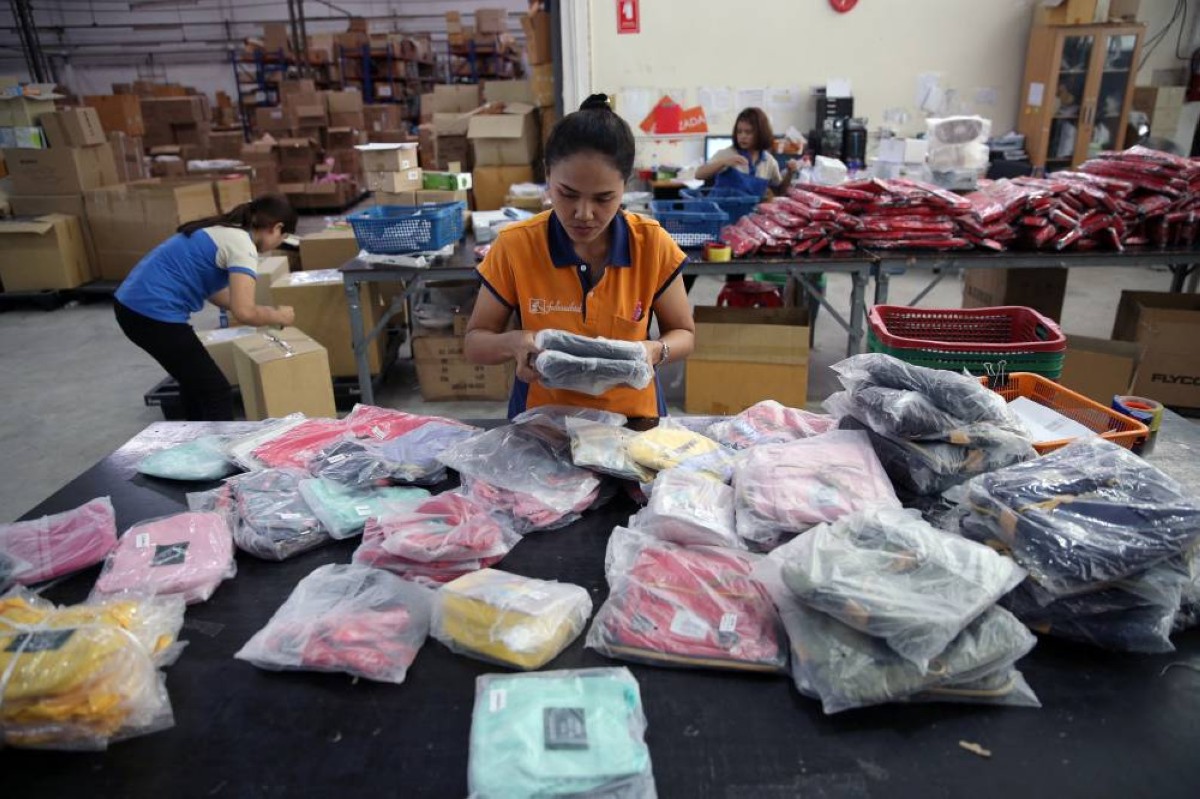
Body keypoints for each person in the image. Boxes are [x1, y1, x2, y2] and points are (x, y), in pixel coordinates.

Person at [464, 94, 696, 422]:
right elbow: (475, 343)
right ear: (547, 175)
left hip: (632, 421)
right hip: (543, 423)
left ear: (625, 186)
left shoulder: (652, 244)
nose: (584, 214)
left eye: (603, 198)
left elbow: (684, 333)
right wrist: (515, 343)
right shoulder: (516, 246)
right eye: (568, 194)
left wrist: (656, 351)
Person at [113, 194, 298, 422]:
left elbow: (218, 295)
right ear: (276, 228)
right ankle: (219, 446)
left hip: (132, 306)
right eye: (283, 237)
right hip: (152, 313)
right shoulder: (242, 245)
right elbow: (244, 312)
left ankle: (195, 438)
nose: (278, 244)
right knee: (216, 392)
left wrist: (263, 312)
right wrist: (277, 315)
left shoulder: (222, 231)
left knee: (194, 384)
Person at [693, 108, 797, 288]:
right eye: (739, 131)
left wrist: (790, 172)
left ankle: (731, 303)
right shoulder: (728, 153)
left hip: (742, 230)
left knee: (736, 274)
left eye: (748, 132)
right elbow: (699, 174)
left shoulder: (769, 162)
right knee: (693, 267)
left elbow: (779, 191)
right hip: (716, 225)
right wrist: (724, 163)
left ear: (761, 133)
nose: (742, 136)